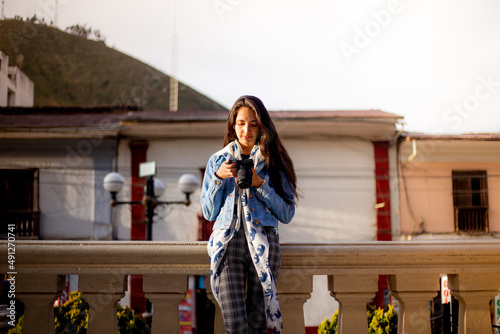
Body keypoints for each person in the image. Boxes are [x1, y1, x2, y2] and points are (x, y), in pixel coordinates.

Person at [201, 95, 298, 334]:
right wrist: (218, 178)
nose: (247, 130)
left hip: (264, 242)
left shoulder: (274, 161)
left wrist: (259, 184)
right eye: (242, 123)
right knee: (235, 325)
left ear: (262, 126)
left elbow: (287, 213)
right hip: (228, 243)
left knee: (256, 326)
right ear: (233, 125)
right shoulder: (218, 161)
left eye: (254, 124)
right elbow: (208, 212)